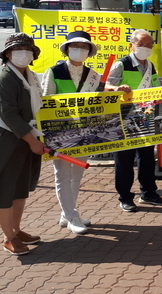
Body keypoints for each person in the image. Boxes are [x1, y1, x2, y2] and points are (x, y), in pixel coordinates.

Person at [0, 33, 46, 255]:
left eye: (28, 49)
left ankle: (15, 229)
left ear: (33, 55)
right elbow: (8, 115)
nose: (23, 53)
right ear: (7, 54)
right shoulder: (3, 77)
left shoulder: (29, 76)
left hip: (23, 138)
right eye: (18, 49)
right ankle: (8, 237)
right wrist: (32, 141)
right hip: (3, 139)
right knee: (4, 188)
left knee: (19, 188)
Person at [41, 31, 103, 235]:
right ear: (67, 49)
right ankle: (72, 216)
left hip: (84, 131)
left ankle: (66, 214)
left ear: (89, 51)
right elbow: (45, 101)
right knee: (62, 175)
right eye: (75, 46)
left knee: (77, 173)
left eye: (84, 47)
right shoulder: (54, 71)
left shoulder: (93, 75)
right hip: (60, 132)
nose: (79, 50)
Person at [106, 29, 162, 212]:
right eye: (141, 45)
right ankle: (125, 197)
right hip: (123, 119)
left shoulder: (151, 66)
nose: (146, 49)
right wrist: (116, 88)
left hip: (145, 118)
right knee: (124, 161)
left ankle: (148, 192)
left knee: (147, 158)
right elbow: (105, 85)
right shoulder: (121, 64)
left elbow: (156, 87)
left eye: (149, 45)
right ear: (131, 45)